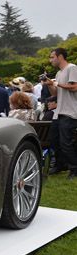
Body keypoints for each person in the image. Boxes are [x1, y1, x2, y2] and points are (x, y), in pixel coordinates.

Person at [42, 47, 77, 179]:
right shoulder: (58, 73)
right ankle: (60, 165)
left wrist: (57, 84)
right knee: (54, 141)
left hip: (70, 111)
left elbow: (75, 87)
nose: (50, 60)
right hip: (59, 112)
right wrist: (50, 84)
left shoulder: (72, 68)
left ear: (60, 56)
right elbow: (55, 94)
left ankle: (74, 168)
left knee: (66, 142)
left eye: (52, 57)